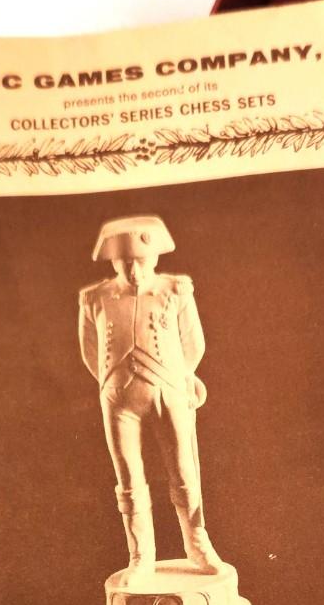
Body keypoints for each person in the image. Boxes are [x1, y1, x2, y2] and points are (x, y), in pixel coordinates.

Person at [79, 215, 224, 585]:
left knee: (183, 470)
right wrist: (114, 384)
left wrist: (178, 379)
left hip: (167, 391)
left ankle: (198, 545)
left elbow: (193, 343)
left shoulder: (175, 291)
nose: (134, 269)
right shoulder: (95, 298)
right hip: (118, 398)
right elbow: (90, 350)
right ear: (113, 261)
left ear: (155, 258)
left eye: (142, 261)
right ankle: (141, 556)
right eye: (125, 262)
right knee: (128, 476)